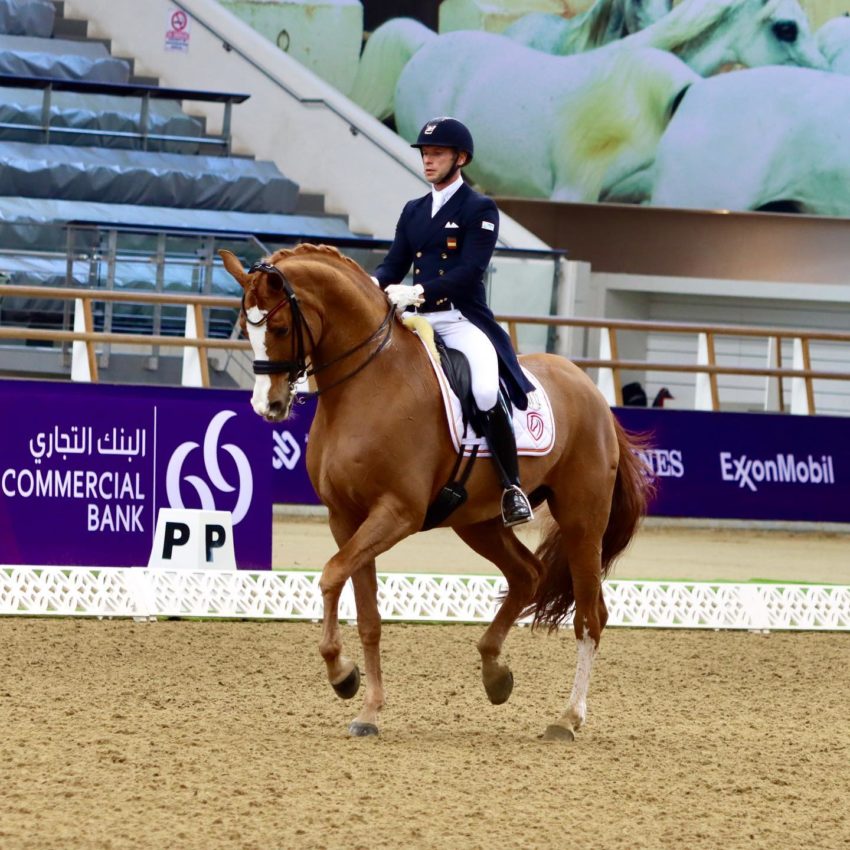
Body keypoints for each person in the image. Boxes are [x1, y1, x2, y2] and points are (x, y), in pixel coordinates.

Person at [373, 116, 535, 527]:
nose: (428, 161)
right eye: (425, 154)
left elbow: (470, 270)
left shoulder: (480, 208)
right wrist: (370, 288)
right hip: (416, 319)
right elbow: (393, 265)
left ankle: (511, 486)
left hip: (461, 320)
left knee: (482, 389)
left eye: (437, 154)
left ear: (460, 158)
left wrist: (420, 291)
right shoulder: (414, 211)